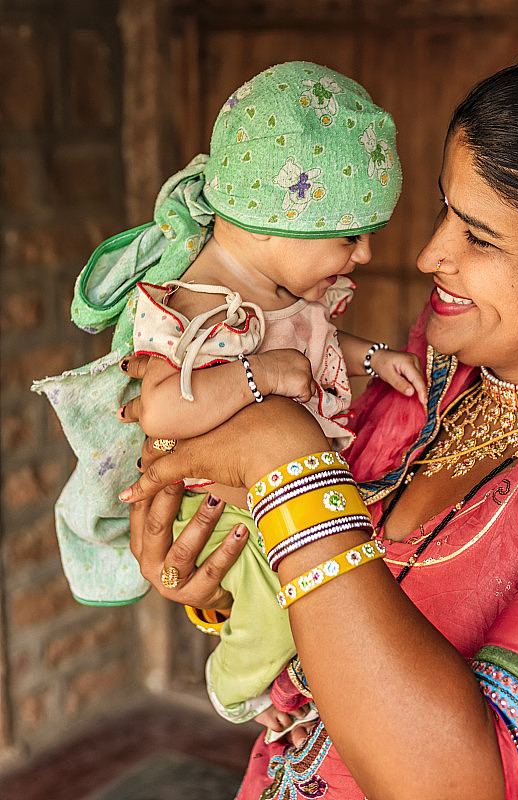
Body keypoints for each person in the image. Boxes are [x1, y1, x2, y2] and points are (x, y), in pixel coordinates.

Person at [118, 45, 518, 800]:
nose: (430, 253)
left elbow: (466, 784)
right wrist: (219, 582)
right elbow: (318, 594)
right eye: (443, 210)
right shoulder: (419, 386)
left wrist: (284, 462)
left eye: (479, 236)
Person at [34, 62, 423, 729]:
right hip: (212, 506)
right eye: (349, 237)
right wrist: (258, 376)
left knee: (318, 605)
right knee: (279, 617)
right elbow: (159, 407)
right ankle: (235, 690)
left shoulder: (280, 291)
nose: (361, 256)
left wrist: (373, 357)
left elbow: (314, 343)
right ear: (270, 226)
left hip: (273, 491)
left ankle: (280, 686)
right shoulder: (189, 303)